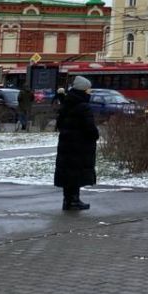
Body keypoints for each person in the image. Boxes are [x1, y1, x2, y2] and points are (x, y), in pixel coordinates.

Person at [53, 76, 99, 211]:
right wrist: (94, 135)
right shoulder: (83, 107)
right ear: (83, 90)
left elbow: (59, 124)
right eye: (88, 89)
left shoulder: (67, 103)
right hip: (79, 146)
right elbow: (89, 128)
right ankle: (74, 200)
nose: (90, 92)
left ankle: (68, 200)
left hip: (67, 145)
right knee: (76, 173)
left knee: (68, 173)